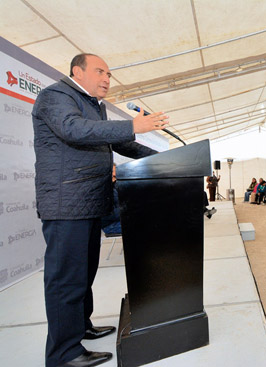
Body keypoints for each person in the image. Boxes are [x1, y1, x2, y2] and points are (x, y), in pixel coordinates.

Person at [33, 53, 168, 367]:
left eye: (109, 73)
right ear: (77, 72)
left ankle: (80, 327)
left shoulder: (94, 106)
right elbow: (74, 131)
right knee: (66, 279)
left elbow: (121, 145)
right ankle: (63, 354)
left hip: (90, 201)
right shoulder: (55, 97)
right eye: (100, 71)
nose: (107, 78)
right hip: (66, 204)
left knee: (83, 273)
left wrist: (162, 157)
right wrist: (133, 124)